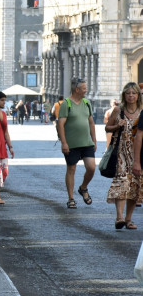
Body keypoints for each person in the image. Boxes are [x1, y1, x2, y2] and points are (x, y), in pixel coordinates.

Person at [106, 83, 142, 230]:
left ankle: (128, 219)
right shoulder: (118, 110)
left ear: (138, 95)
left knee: (135, 185)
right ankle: (119, 217)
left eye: (134, 93)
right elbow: (107, 127)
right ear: (124, 95)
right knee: (121, 183)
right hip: (121, 151)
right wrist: (116, 126)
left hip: (138, 153)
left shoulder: (142, 111)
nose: (131, 96)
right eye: (128, 93)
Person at [57, 77, 96, 209]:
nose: (86, 90)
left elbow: (91, 122)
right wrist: (64, 143)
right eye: (84, 88)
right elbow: (60, 125)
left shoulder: (86, 103)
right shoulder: (66, 104)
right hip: (71, 144)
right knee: (71, 169)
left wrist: (94, 140)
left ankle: (83, 188)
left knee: (91, 168)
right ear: (77, 89)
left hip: (87, 143)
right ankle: (71, 198)